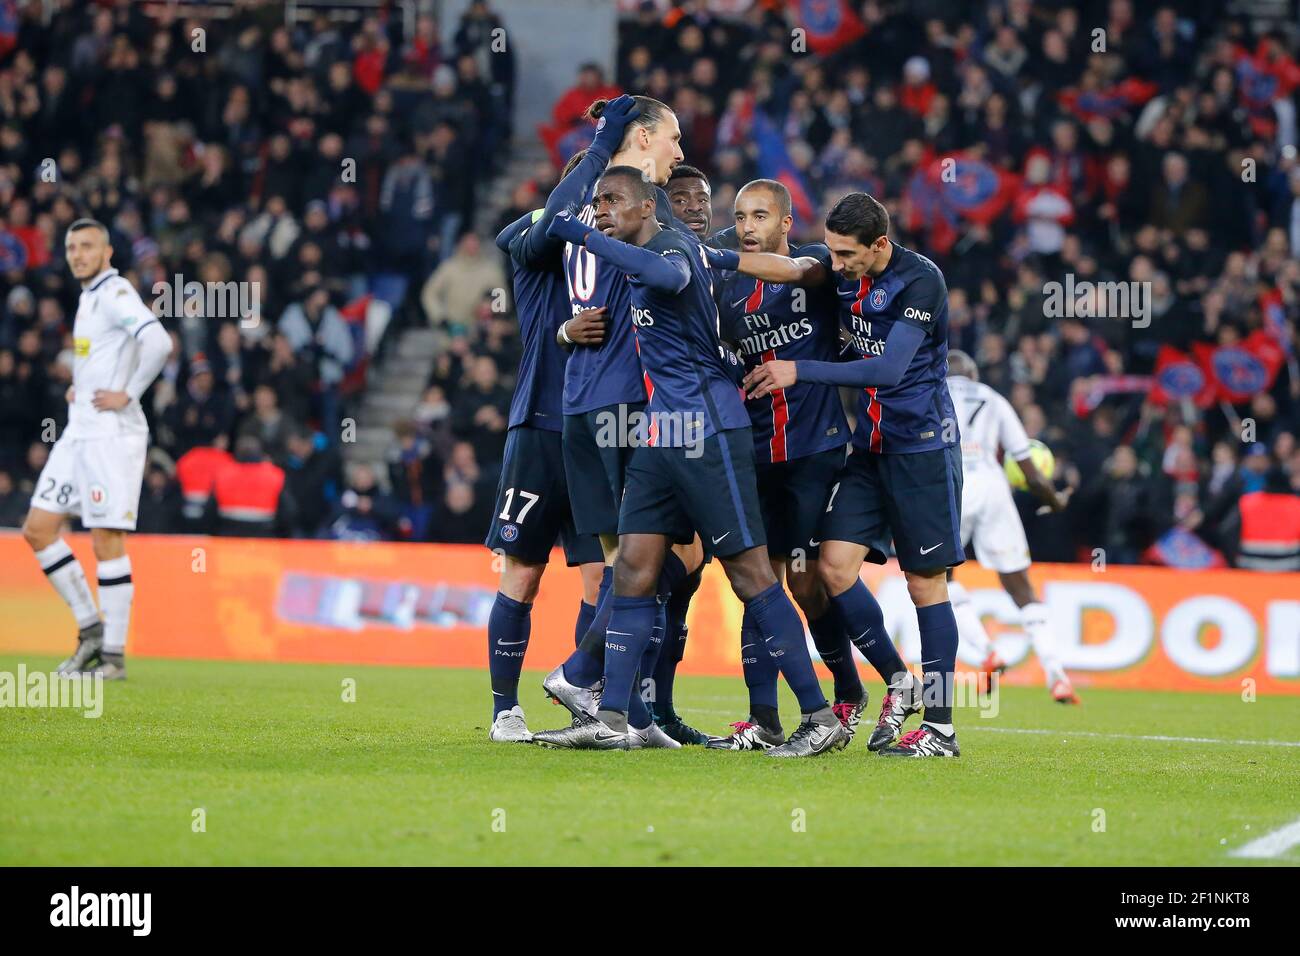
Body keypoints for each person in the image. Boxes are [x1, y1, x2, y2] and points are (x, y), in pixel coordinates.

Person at [533, 167, 849, 757]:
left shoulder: (672, 249)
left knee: (751, 574)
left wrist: (583, 237)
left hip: (708, 430)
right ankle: (611, 719)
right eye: (596, 202)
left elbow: (666, 272)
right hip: (661, 433)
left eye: (612, 201)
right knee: (632, 569)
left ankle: (819, 714)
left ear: (648, 206)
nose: (601, 210)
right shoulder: (667, 249)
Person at [718, 191, 965, 757]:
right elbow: (790, 266)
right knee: (830, 569)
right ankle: (898, 681)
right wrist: (713, 257)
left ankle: (942, 727)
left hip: (922, 449)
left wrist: (796, 370)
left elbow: (888, 367)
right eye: (831, 251)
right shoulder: (834, 271)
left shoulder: (919, 281)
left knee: (926, 583)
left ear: (879, 245)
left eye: (847, 255)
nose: (837, 263)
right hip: (869, 448)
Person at [516, 95, 708, 747]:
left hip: (581, 401)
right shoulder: (630, 208)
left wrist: (565, 337)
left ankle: (621, 714)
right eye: (674, 138)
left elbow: (544, 238)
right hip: (628, 401)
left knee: (616, 567)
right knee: (664, 554)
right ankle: (591, 686)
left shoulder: (582, 204)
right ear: (647, 137)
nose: (681, 153)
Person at [706, 178, 864, 751]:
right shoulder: (725, 291)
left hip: (815, 448)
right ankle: (763, 718)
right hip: (755, 451)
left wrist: (727, 254)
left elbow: (797, 274)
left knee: (804, 577)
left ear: (785, 223)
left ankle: (847, 691)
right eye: (741, 217)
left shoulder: (816, 264)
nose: (748, 226)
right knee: (759, 581)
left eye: (760, 216)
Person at [20, 219, 172, 681]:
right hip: (80, 429)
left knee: (107, 540)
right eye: (71, 247)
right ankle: (89, 629)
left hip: (112, 435)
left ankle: (112, 657)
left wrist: (128, 392)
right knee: (38, 529)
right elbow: (105, 355)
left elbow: (158, 342)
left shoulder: (115, 291)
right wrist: (82, 387)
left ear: (107, 252)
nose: (77, 254)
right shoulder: (88, 298)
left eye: (87, 246)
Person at [482, 193, 606, 743]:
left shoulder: (609, 258)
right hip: (537, 428)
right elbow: (508, 231)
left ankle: (587, 699)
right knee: (524, 573)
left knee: (602, 576)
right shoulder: (536, 254)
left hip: (595, 432)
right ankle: (505, 709)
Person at [944, 350, 1079, 704]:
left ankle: (988, 651)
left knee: (939, 580)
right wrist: (1054, 500)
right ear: (973, 373)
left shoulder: (931, 390)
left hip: (949, 486)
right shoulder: (993, 398)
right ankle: (1058, 676)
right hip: (992, 486)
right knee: (1020, 586)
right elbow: (1030, 469)